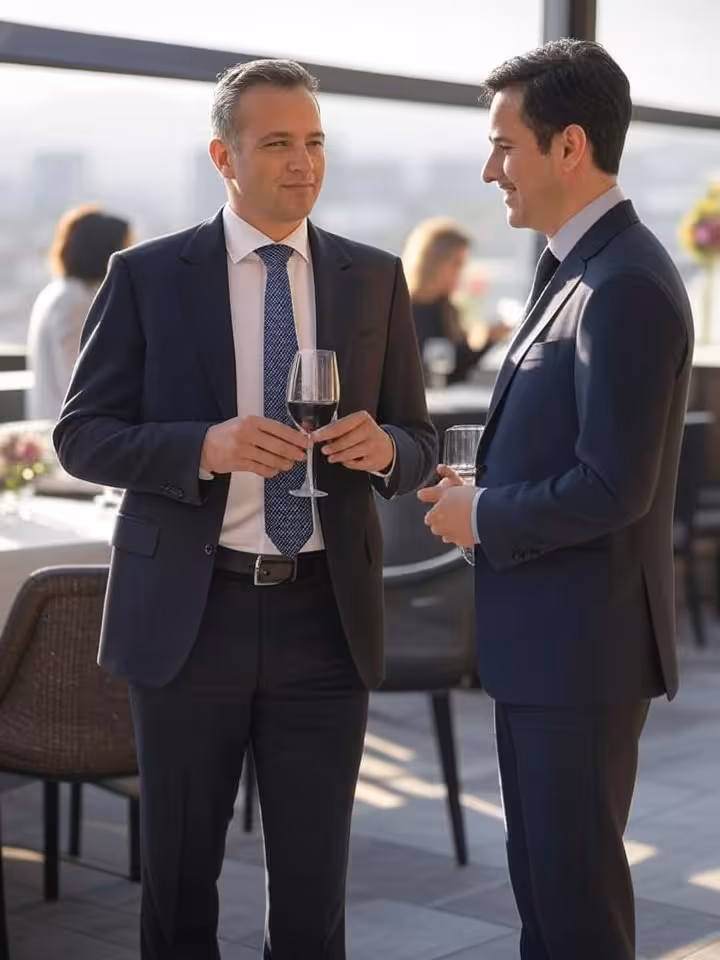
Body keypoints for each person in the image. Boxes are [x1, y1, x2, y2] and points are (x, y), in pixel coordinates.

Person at [53, 59, 435, 960]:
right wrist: (203, 447)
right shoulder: (146, 275)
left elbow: (417, 434)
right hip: (193, 618)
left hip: (326, 617)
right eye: (278, 144)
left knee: (314, 902)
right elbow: (82, 436)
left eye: (314, 143)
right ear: (224, 156)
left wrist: (388, 453)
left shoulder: (374, 277)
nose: (302, 163)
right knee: (180, 893)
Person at [418, 39, 693, 960]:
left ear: (569, 146)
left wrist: (483, 515)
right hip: (549, 642)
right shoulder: (573, 264)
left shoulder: (624, 285)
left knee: (572, 910)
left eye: (505, 145)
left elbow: (617, 485)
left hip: (582, 651)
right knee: (546, 893)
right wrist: (483, 491)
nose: (489, 168)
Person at [26, 206, 131, 420]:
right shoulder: (74, 301)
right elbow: (79, 381)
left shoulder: (59, 292)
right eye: (127, 248)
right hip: (72, 434)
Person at [402, 217, 509, 384]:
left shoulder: (449, 310)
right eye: (456, 264)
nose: (461, 273)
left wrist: (489, 339)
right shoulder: (398, 310)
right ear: (432, 261)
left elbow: (457, 367)